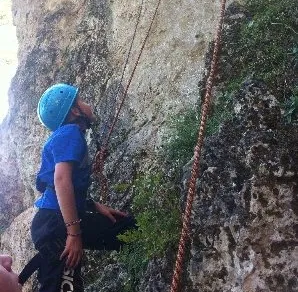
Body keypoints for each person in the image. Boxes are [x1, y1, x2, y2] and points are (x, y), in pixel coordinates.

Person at [31, 83, 136, 292]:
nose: (87, 104)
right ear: (74, 111)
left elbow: (57, 186)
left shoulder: (64, 136)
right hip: (57, 225)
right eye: (81, 100)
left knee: (127, 229)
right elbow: (61, 181)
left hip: (54, 221)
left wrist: (93, 205)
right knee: (64, 287)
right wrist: (74, 234)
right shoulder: (70, 133)